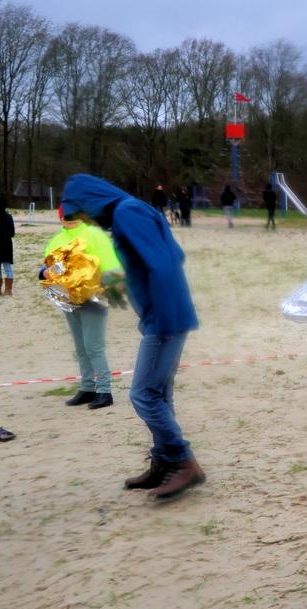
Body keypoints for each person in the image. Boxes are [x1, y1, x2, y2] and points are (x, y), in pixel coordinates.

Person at [59, 174, 204, 501]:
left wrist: (159, 312)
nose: (87, 221)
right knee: (159, 394)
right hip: (165, 314)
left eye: (83, 214)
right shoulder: (132, 210)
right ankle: (164, 461)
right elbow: (174, 254)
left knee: (143, 395)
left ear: (91, 201)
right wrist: (124, 280)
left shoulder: (128, 212)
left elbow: (164, 264)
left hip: (164, 318)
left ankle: (183, 462)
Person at [41, 207, 123, 409]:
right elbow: (49, 268)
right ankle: (87, 387)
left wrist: (111, 289)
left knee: (93, 346)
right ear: (60, 217)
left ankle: (104, 390)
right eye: (64, 215)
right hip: (67, 298)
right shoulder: (57, 239)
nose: (68, 219)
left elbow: (111, 265)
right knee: (81, 347)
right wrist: (44, 273)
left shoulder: (94, 234)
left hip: (94, 297)